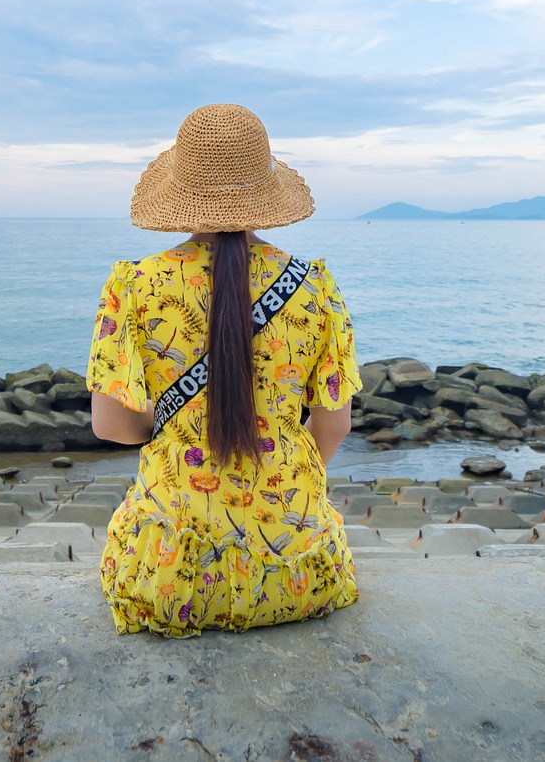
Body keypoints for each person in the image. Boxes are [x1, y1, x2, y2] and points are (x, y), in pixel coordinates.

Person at [87, 103, 361, 637]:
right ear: (265, 190)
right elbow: (335, 425)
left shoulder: (136, 286)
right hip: (298, 570)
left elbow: (111, 426)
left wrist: (174, 425)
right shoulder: (314, 288)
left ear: (179, 192)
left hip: (168, 579)